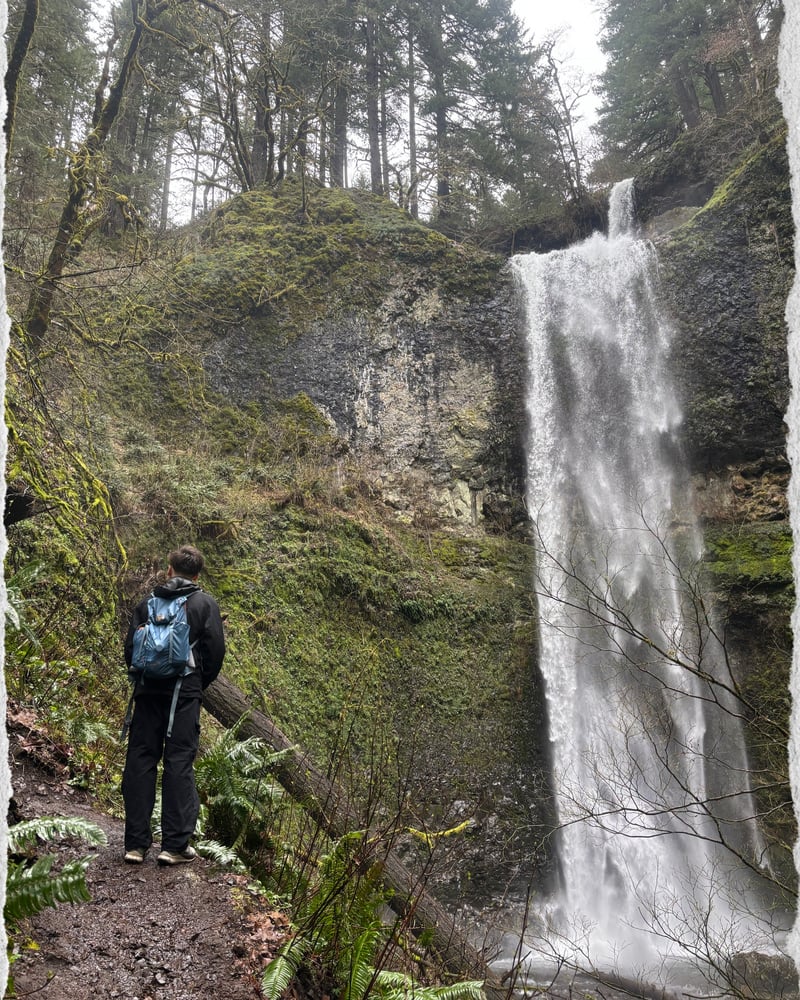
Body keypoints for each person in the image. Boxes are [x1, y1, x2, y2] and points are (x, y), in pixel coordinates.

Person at [122, 544, 225, 866]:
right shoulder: (204, 604)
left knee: (141, 759)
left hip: (147, 690)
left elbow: (130, 650)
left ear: (169, 570)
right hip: (184, 693)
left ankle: (136, 846)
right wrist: (197, 683)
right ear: (197, 575)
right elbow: (215, 653)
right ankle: (174, 845)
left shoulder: (147, 604)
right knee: (179, 762)